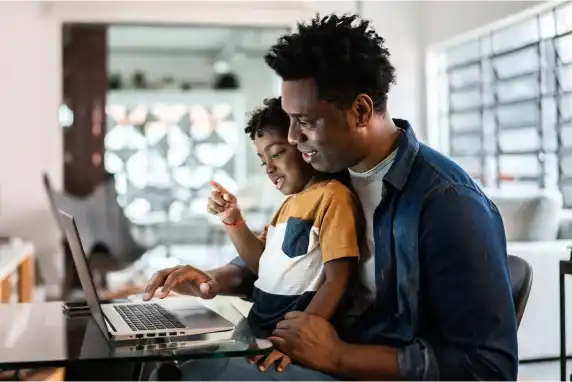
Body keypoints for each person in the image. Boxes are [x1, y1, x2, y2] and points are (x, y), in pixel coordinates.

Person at [144, 13, 518, 382]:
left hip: (353, 366)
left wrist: (339, 356)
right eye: (289, 119)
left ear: (360, 111)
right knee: (163, 363)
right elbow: (289, 262)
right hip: (309, 353)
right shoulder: (327, 175)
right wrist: (215, 279)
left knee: (193, 376)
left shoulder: (447, 203)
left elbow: (488, 367)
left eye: (305, 121)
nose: (291, 137)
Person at [205, 97, 362, 371]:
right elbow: (261, 266)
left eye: (277, 153)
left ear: (304, 145)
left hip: (284, 345)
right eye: (262, 159)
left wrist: (298, 341)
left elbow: (338, 280)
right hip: (257, 332)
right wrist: (233, 220)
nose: (268, 167)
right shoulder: (289, 205)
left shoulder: (333, 197)